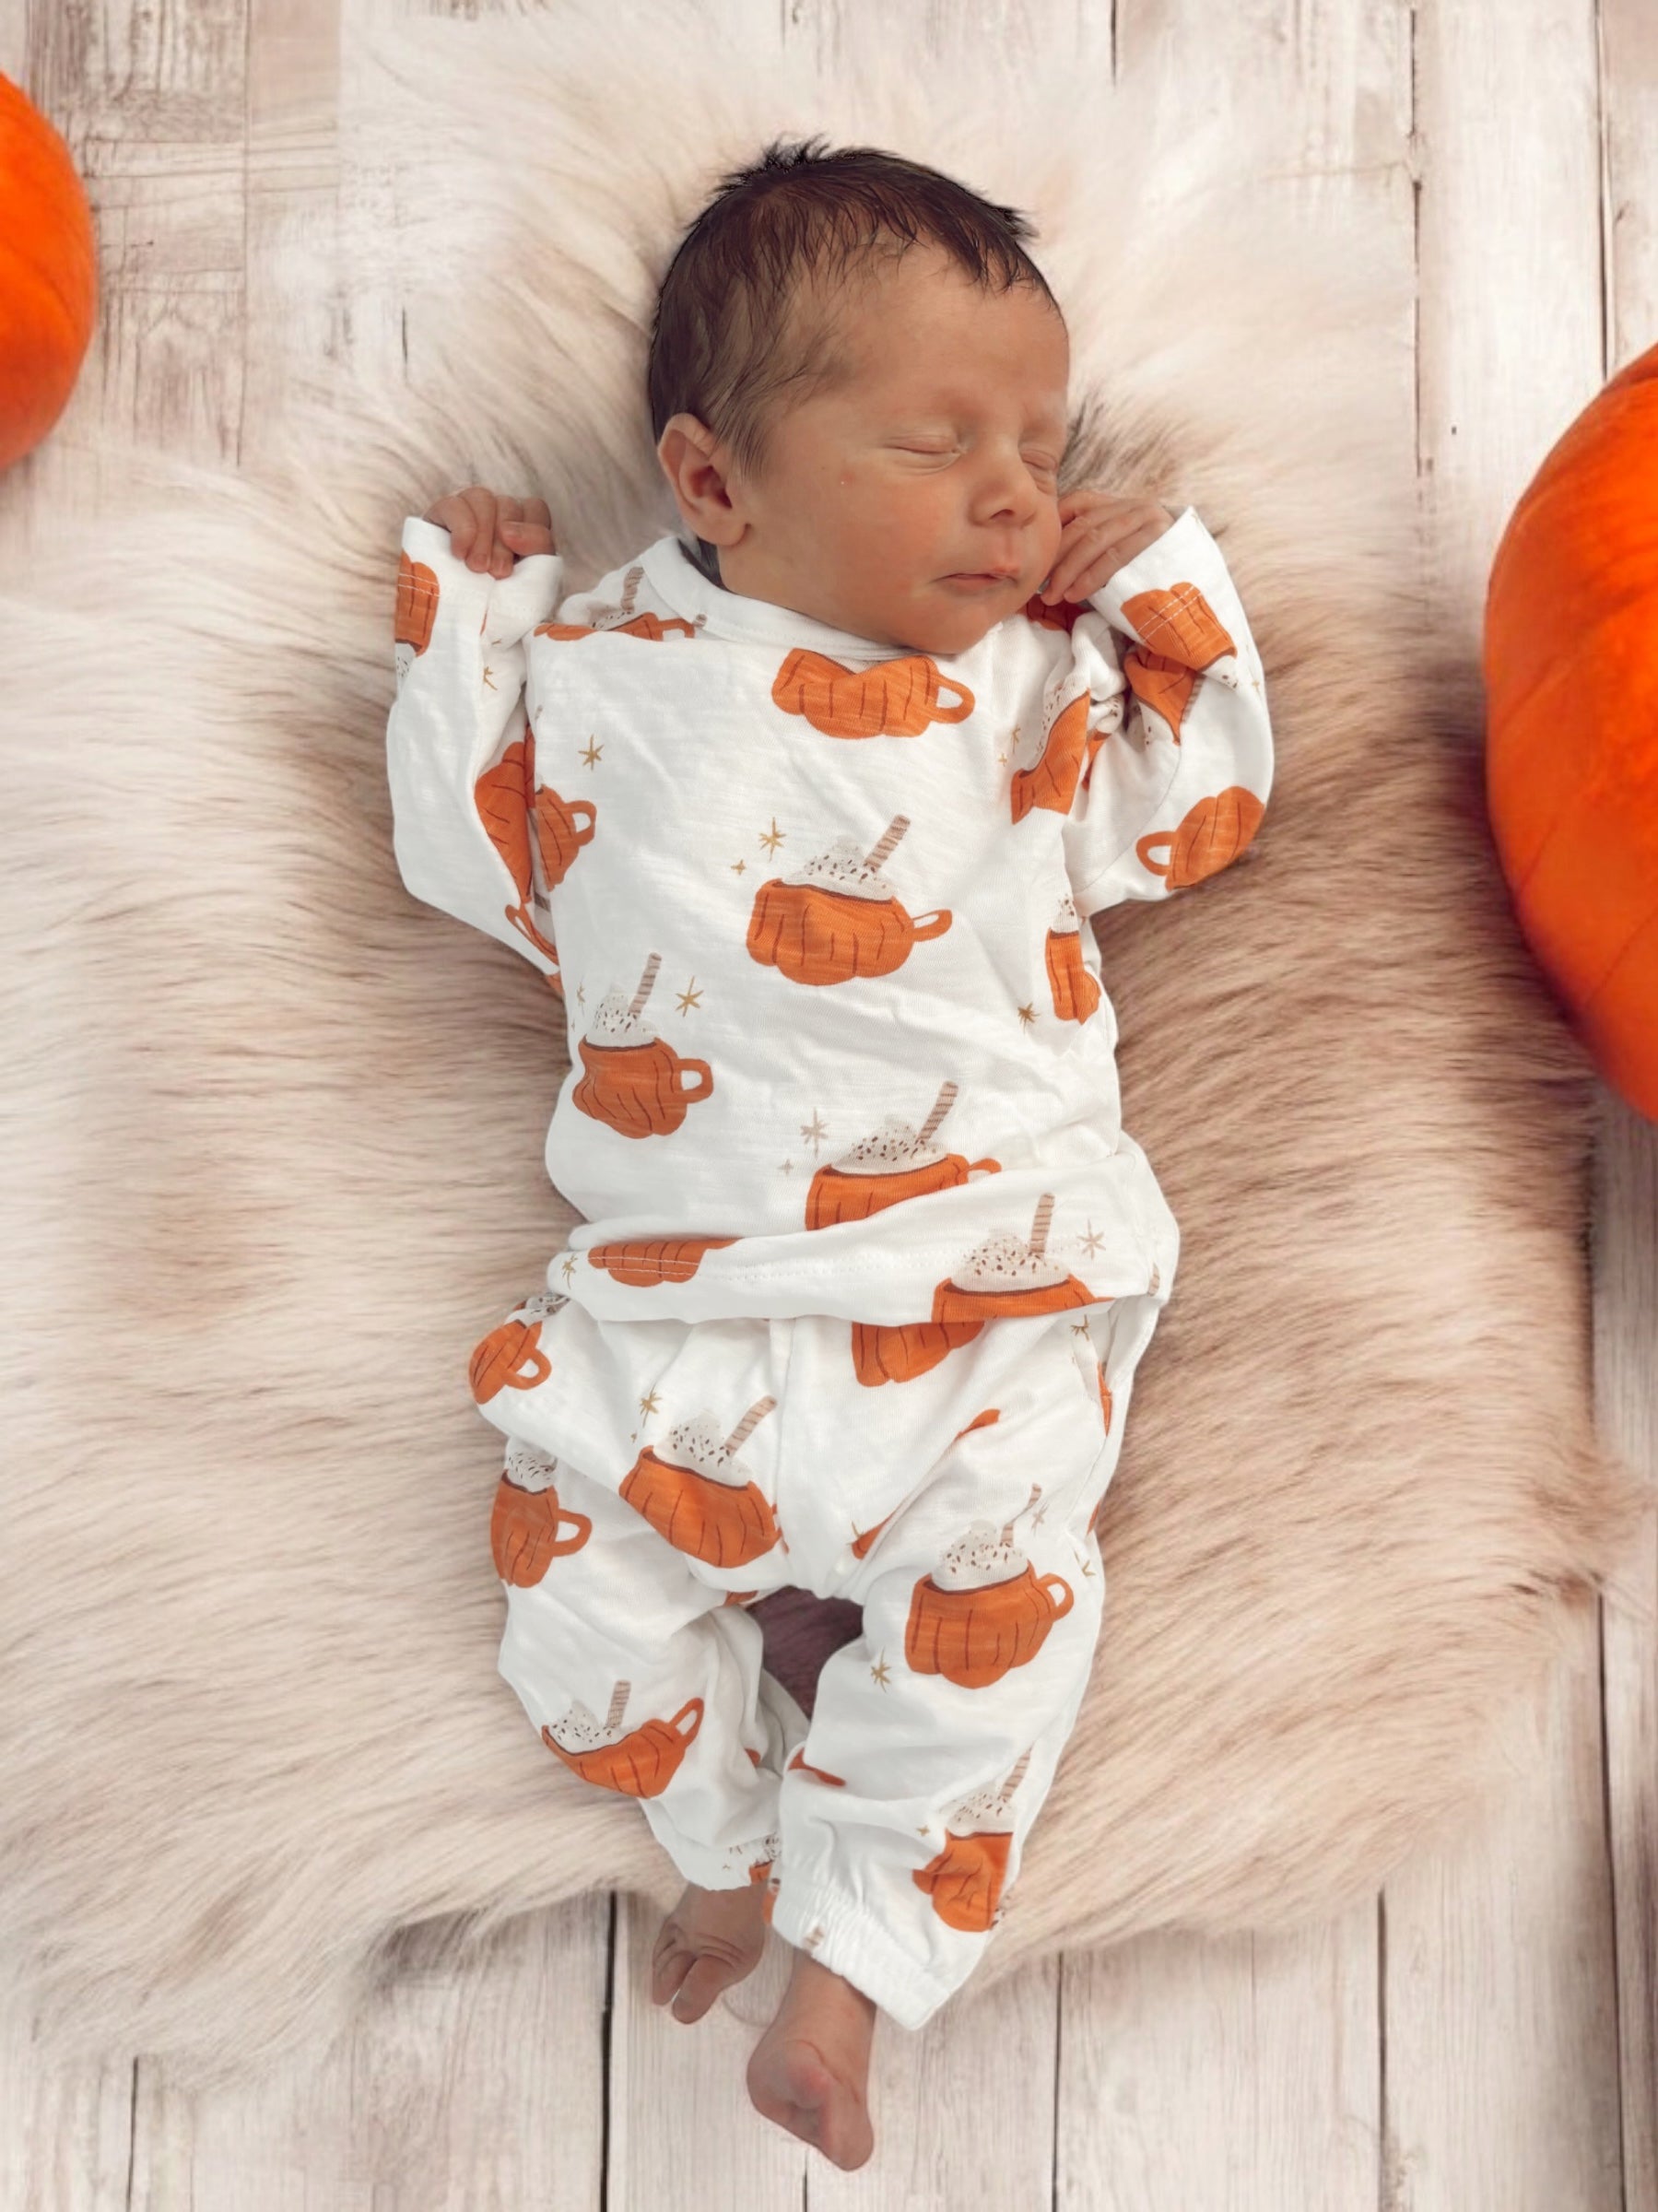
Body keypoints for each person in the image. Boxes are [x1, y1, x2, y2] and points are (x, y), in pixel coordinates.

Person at [385, 135, 1273, 2171]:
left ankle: (847, 1982)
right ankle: (717, 1844)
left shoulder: (1031, 697)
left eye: (1038, 450)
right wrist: (469, 611)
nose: (1015, 495)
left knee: (996, 1656)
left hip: (988, 1299)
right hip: (677, 1309)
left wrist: (1156, 585)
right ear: (714, 484)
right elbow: (462, 841)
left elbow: (1200, 808)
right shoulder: (601, 682)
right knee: (569, 1606)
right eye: (940, 441)